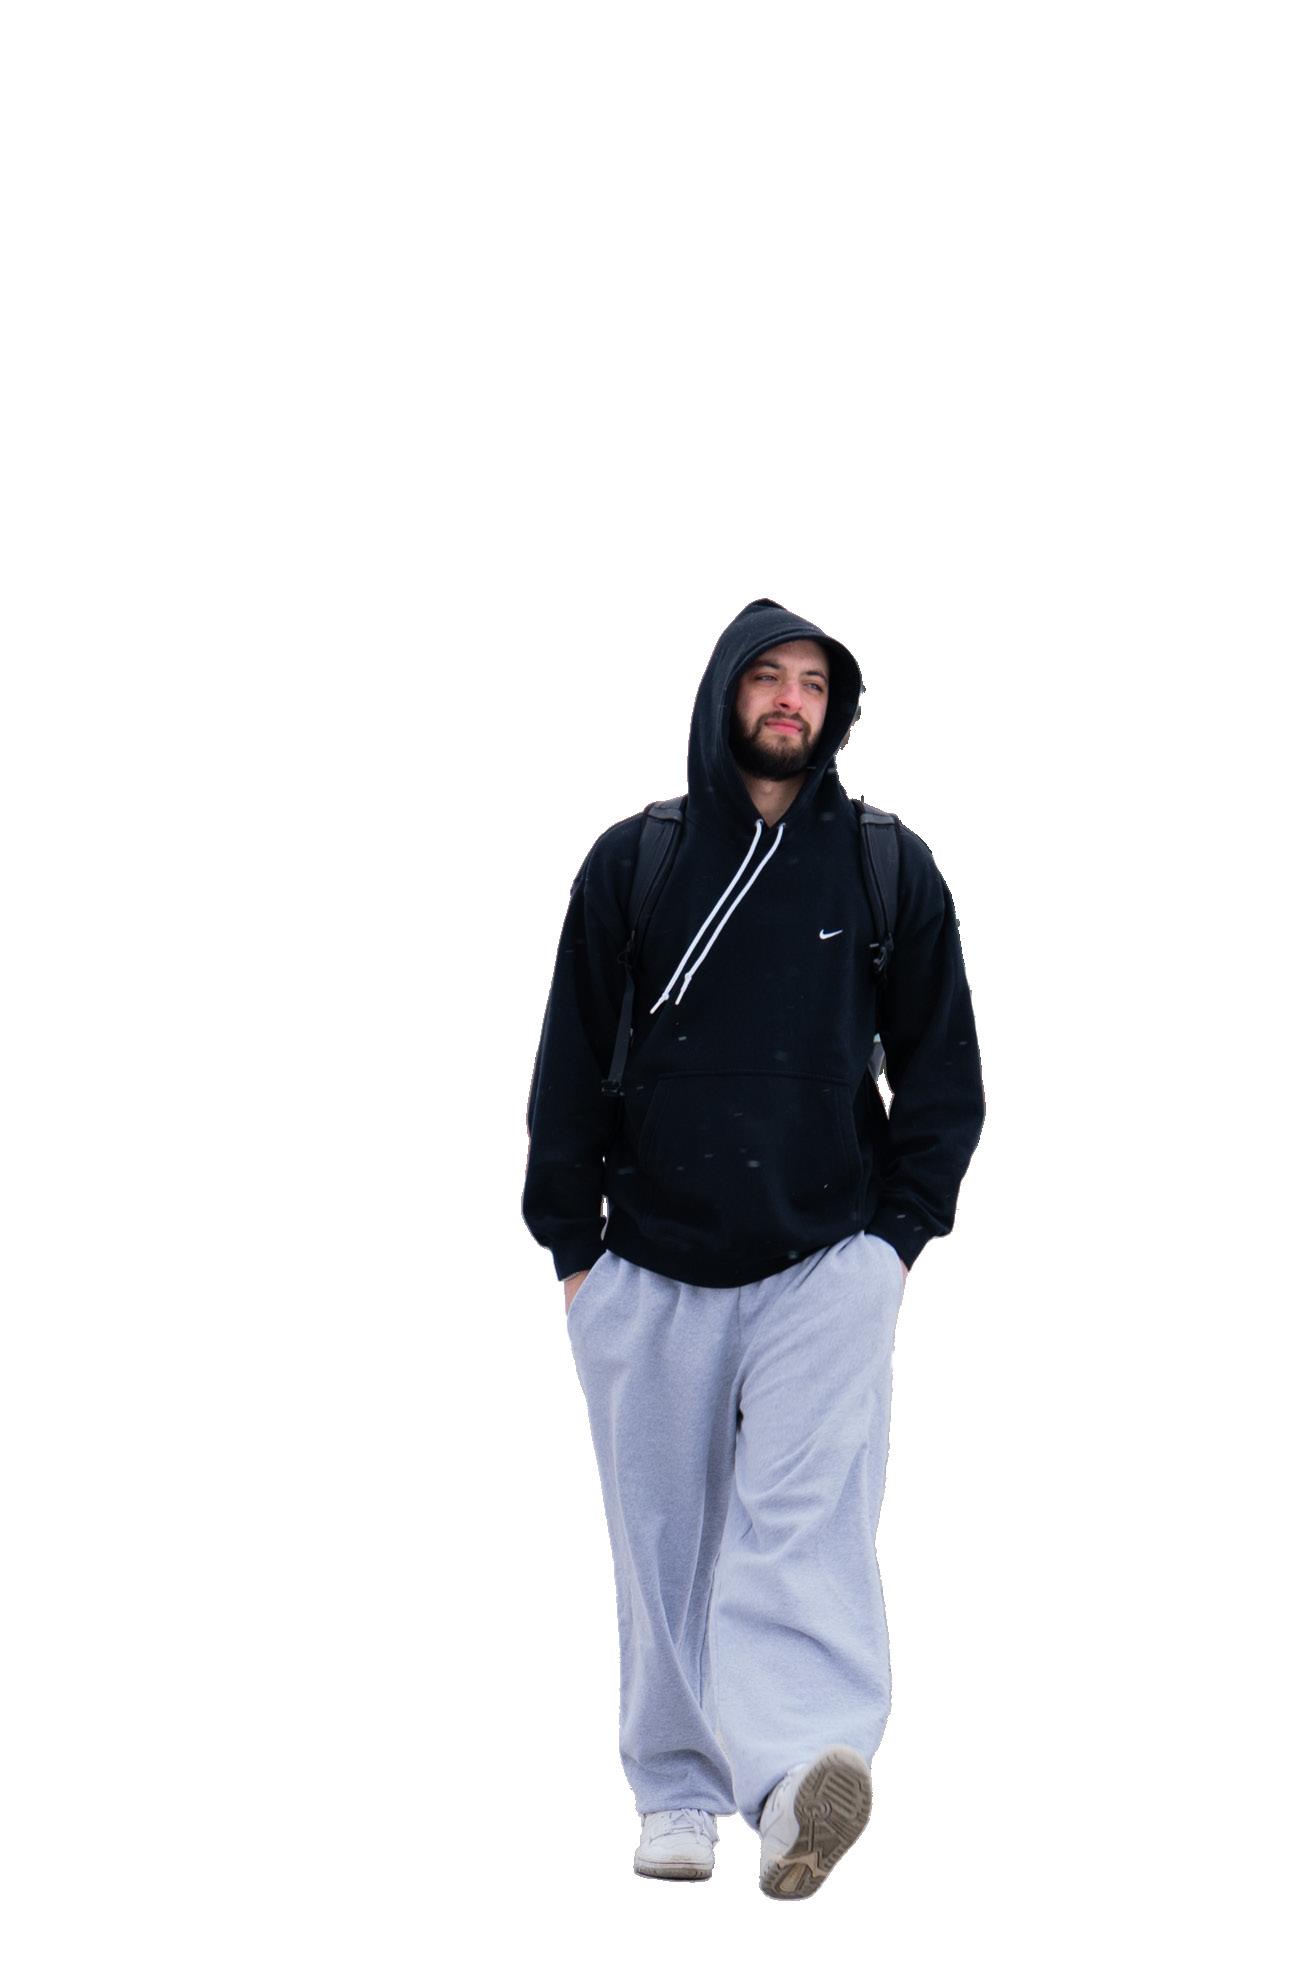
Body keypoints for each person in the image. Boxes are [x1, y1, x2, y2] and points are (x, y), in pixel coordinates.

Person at [521, 598, 985, 1898]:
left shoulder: (886, 867)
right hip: (646, 1263)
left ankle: (792, 1784)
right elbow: (568, 1061)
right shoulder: (638, 860)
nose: (789, 699)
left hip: (825, 1262)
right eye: (767, 677)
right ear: (724, 690)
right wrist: (574, 1254)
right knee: (665, 1542)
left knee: (806, 1527)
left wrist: (892, 1245)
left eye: (813, 684)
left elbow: (941, 1075)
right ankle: (675, 1788)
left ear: (837, 710)